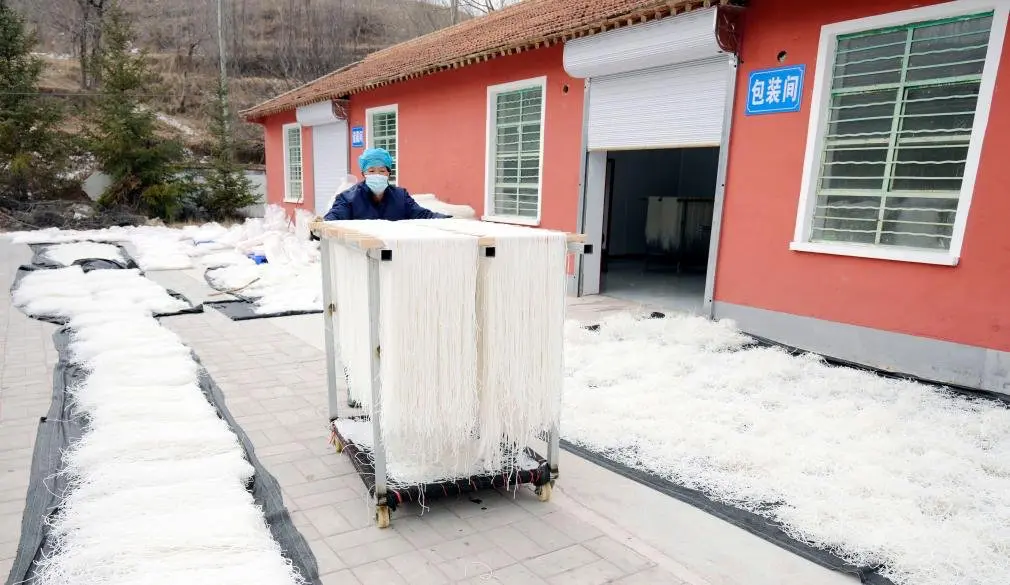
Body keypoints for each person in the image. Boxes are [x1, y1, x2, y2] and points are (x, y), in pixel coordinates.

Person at [323, 148, 450, 221]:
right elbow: (335, 217)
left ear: (389, 173)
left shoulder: (400, 196)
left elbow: (422, 215)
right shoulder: (349, 198)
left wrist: (448, 220)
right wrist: (320, 225)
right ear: (363, 174)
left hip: (393, 251)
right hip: (362, 254)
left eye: (382, 171)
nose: (377, 174)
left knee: (387, 259)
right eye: (371, 171)